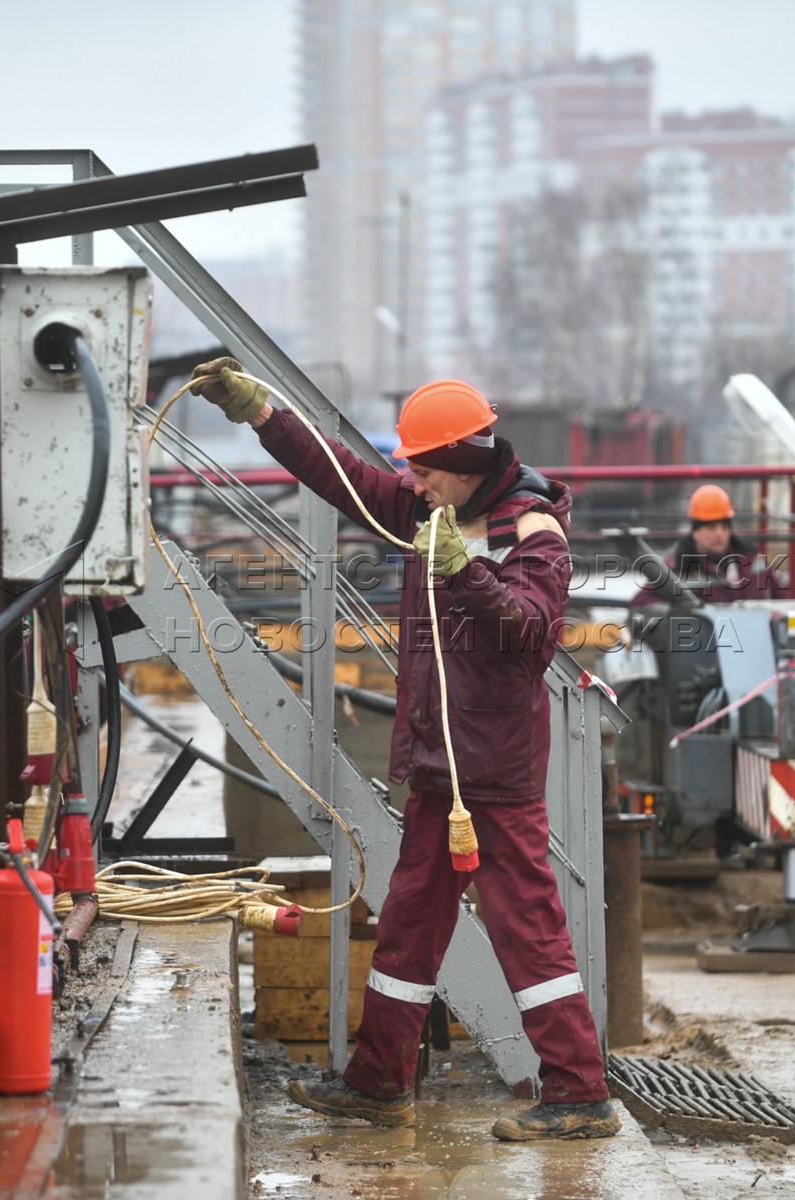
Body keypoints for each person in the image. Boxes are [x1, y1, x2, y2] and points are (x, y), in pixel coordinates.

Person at [188, 359, 619, 1142]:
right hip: (440, 767)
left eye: (423, 471)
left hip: (490, 773)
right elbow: (344, 478)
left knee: (527, 927)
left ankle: (580, 1092)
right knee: (409, 927)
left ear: (461, 465)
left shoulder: (532, 530)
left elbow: (528, 635)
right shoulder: (433, 505)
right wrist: (262, 413)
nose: (411, 484)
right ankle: (380, 1081)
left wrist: (466, 571)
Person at [628, 483, 773, 607]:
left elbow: (782, 598)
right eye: (711, 528)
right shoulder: (678, 567)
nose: (719, 534)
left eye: (724, 527)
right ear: (695, 532)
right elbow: (641, 602)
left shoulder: (752, 559)